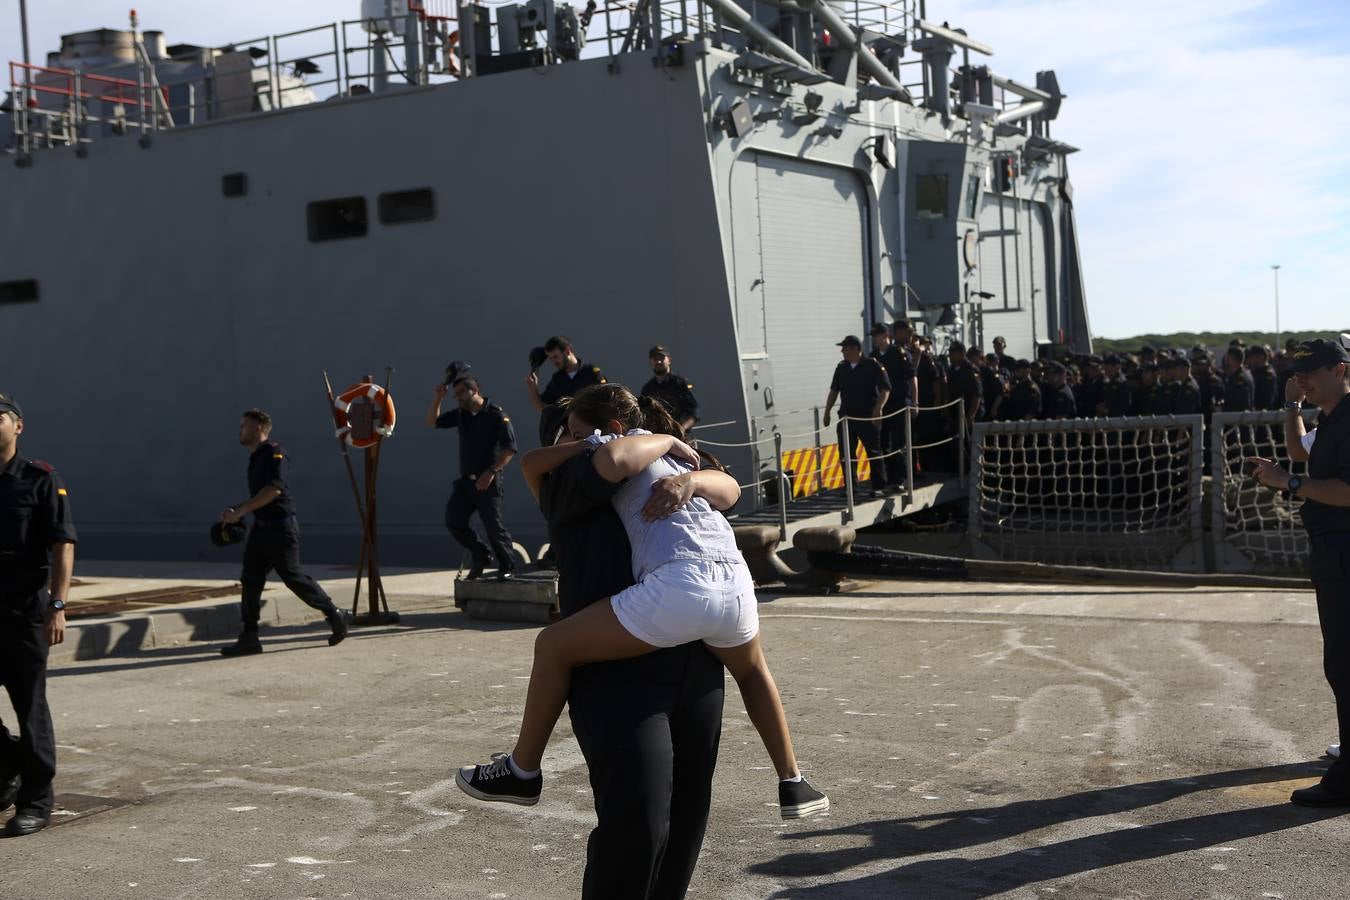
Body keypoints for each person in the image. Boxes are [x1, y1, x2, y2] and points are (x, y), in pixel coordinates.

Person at [458, 386, 828, 822]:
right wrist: (685, 466)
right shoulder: (683, 458)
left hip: (681, 585)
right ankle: (793, 782)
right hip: (736, 586)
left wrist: (637, 445)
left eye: (578, 432)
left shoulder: (625, 449)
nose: (574, 443)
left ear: (612, 428)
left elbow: (607, 460)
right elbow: (731, 492)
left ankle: (522, 771)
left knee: (553, 646)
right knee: (751, 670)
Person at [491, 400, 727, 897]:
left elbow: (727, 488)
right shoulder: (575, 476)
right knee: (637, 827)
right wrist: (637, 445)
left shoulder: (665, 464)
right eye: (569, 435)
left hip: (695, 664)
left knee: (685, 824)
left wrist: (693, 479)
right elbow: (590, 463)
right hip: (617, 679)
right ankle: (520, 768)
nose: (577, 440)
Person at [1248, 338, 1350, 806]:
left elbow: (1347, 491)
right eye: (1298, 371)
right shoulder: (1331, 419)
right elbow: (1301, 451)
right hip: (1333, 550)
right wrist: (1292, 404)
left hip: (1345, 550)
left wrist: (1287, 483)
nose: (1303, 377)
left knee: (1346, 665)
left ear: (1341, 369)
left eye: (1312, 371)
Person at [0, 395, 74, 837]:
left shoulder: (40, 480)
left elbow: (63, 544)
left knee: (30, 709)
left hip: (24, 613)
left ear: (18, 427)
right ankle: (9, 762)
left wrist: (58, 605)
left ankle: (36, 800)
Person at [218, 410, 347, 656]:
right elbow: (260, 496)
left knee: (293, 577)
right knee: (251, 579)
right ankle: (250, 636)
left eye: (244, 426)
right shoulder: (255, 457)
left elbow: (274, 490)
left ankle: (335, 615)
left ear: (258, 429)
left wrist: (243, 509)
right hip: (261, 528)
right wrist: (238, 509)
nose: (240, 430)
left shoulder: (275, 453)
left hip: (280, 528)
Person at [428, 375, 518, 581]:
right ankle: (481, 553)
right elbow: (432, 421)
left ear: (475, 390)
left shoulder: (496, 416)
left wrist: (491, 472)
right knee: (454, 520)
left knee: (494, 527)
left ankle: (508, 566)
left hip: (489, 481)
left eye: (460, 393)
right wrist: (438, 399)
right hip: (466, 483)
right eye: (455, 394)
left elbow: (510, 449)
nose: (457, 397)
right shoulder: (462, 415)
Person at [823, 335, 891, 497]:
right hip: (847, 417)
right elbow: (834, 391)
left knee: (874, 452)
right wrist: (827, 411)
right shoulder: (842, 367)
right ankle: (851, 488)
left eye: (844, 348)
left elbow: (885, 389)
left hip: (868, 416)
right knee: (846, 454)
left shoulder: (872, 365)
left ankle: (878, 486)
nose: (842, 351)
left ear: (855, 349)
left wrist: (878, 408)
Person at [869, 323, 916, 490]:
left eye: (876, 336)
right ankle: (890, 477)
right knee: (884, 443)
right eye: (873, 336)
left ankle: (902, 479)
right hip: (883, 406)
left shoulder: (899, 353)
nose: (874, 339)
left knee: (899, 443)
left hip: (900, 404)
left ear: (885, 335)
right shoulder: (873, 356)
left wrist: (915, 402)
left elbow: (912, 378)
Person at [526, 335, 606, 411]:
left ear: (567, 351)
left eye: (555, 357)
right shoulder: (557, 379)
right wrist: (533, 387)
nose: (554, 362)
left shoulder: (592, 372)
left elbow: (605, 400)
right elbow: (542, 407)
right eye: (551, 358)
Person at [640, 345, 699, 432]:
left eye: (662, 358)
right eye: (655, 359)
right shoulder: (647, 389)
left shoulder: (680, 384)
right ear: (650, 362)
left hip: (680, 437)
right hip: (657, 437)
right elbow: (642, 414)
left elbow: (694, 412)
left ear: (669, 360)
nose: (658, 362)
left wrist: (681, 429)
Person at [1222, 347, 1255, 412]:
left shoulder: (1240, 379)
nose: (1225, 362)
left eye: (1227, 359)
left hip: (1238, 419)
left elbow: (1241, 405)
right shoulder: (1244, 374)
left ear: (1231, 359)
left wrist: (1223, 409)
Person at [1247, 345, 1279, 410]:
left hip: (1265, 414)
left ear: (1261, 357)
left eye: (1252, 357)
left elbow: (1268, 399)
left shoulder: (1268, 375)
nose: (1250, 360)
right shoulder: (1255, 372)